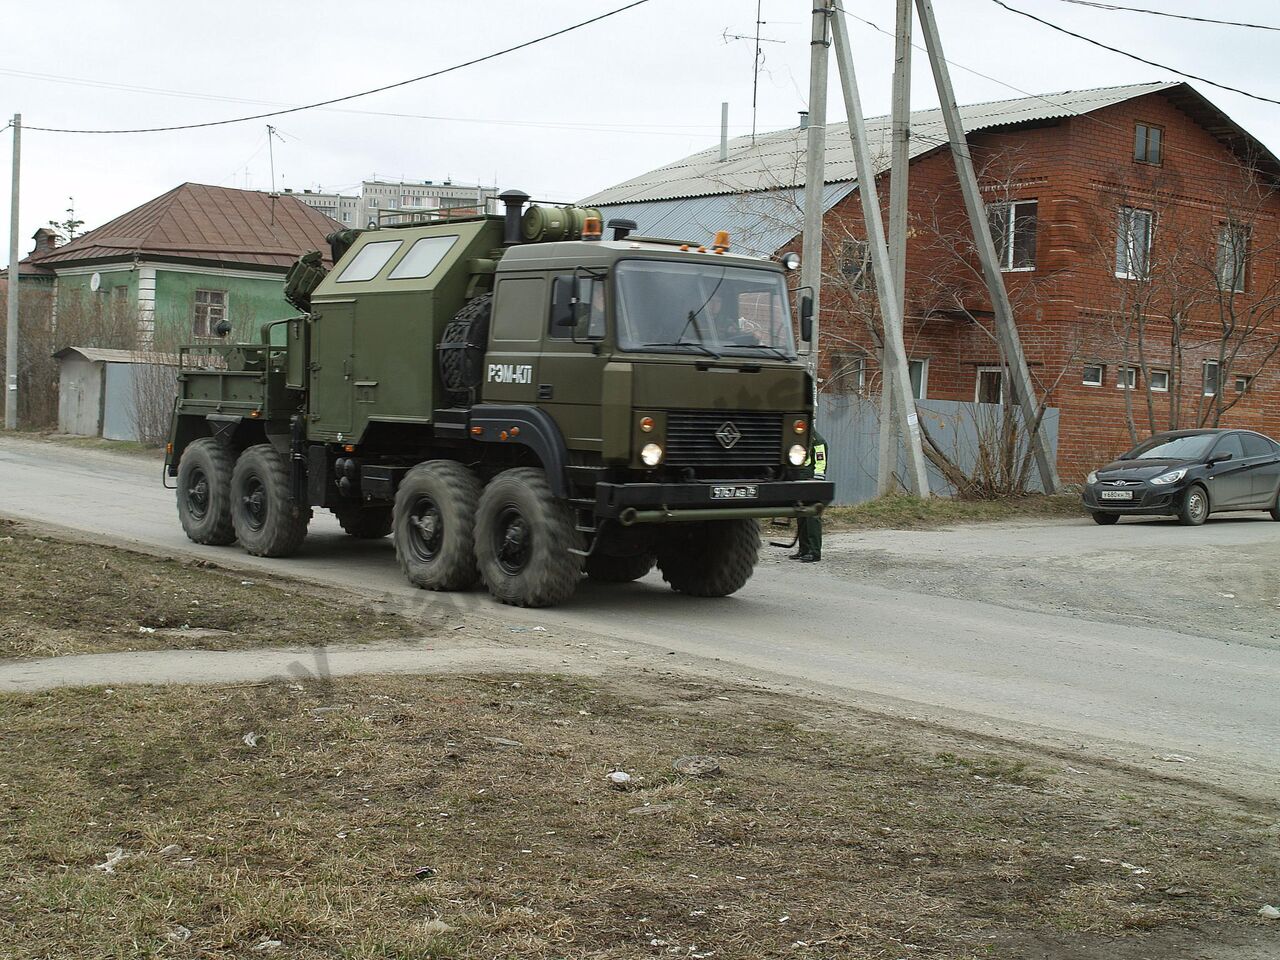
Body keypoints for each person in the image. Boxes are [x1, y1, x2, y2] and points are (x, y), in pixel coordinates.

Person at [791, 426, 827, 563]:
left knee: (812, 517)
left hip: (811, 481)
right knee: (801, 515)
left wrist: (816, 485)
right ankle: (804, 549)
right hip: (800, 480)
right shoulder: (799, 439)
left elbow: (820, 463)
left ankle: (814, 552)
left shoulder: (817, 441)